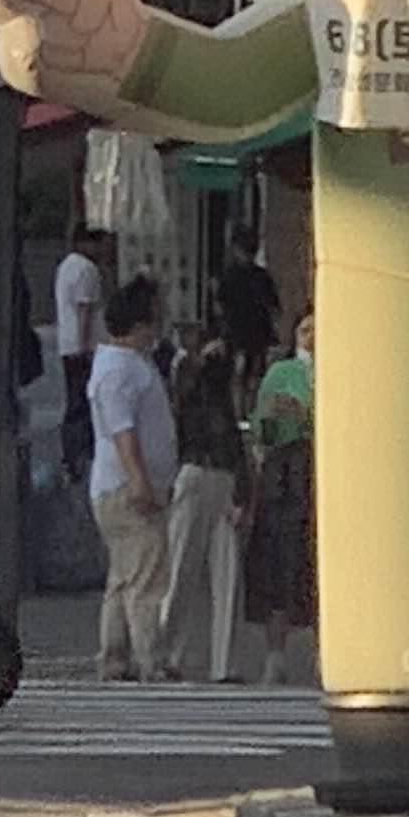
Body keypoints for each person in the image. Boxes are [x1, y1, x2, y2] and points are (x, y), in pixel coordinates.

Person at [84, 276, 177, 682]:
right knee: (145, 578)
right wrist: (140, 480)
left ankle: (115, 656)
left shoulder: (125, 364)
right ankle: (148, 658)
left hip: (117, 484)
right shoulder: (119, 369)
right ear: (139, 325)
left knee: (124, 577)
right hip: (128, 486)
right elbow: (124, 432)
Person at [159, 328, 248, 684]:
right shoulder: (201, 390)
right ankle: (214, 662)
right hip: (210, 473)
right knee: (205, 571)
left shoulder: (199, 393)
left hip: (203, 474)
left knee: (189, 568)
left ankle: (173, 654)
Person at [244, 309, 317, 663]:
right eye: (305, 329)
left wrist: (306, 416)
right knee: (280, 562)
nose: (311, 337)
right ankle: (276, 654)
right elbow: (264, 430)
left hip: (321, 468)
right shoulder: (282, 372)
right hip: (286, 475)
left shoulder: (342, 369)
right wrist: (275, 416)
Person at [53, 223, 107, 477]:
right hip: (83, 345)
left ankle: (70, 455)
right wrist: (86, 346)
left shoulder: (65, 266)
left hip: (67, 343)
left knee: (74, 400)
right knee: (83, 402)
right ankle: (80, 455)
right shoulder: (87, 269)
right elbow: (85, 310)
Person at [215, 229, 280, 398]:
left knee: (243, 373)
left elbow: (220, 306)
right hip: (252, 331)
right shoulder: (260, 276)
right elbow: (273, 306)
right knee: (250, 373)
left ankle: (243, 408)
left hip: (242, 331)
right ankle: (248, 406)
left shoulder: (231, 276)